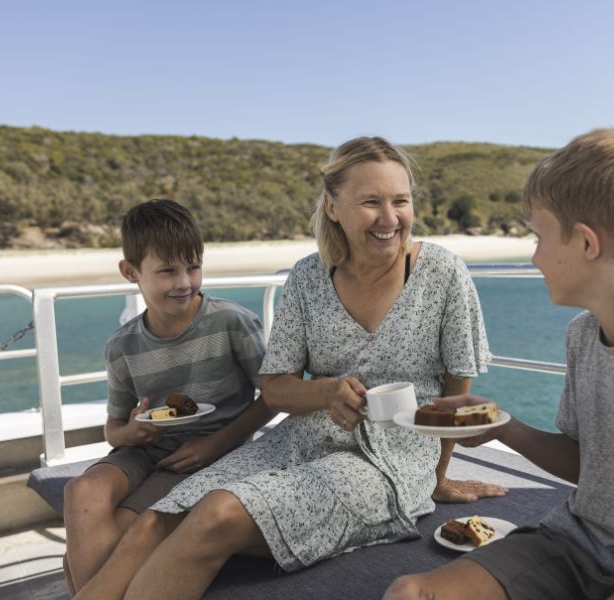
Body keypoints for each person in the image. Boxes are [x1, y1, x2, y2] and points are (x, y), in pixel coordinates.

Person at [75, 136, 505, 600]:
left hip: (388, 465)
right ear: (333, 207)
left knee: (216, 513)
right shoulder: (306, 277)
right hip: (296, 441)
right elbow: (276, 389)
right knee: (152, 524)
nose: (389, 218)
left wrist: (436, 477)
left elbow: (456, 390)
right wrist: (326, 393)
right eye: (370, 202)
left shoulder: (443, 273)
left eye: (400, 201)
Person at [385, 128, 614, 600]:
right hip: (575, 549)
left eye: (539, 236)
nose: (534, 257)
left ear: (585, 243)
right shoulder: (584, 336)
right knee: (410, 594)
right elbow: (595, 465)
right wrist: (504, 427)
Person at [62, 199, 273, 593]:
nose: (184, 282)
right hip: (145, 450)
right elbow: (114, 428)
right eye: (167, 271)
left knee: (113, 536)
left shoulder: (231, 323)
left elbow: (274, 396)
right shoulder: (122, 346)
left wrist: (216, 443)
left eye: (193, 267)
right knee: (80, 490)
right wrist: (131, 434)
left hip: (211, 451)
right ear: (130, 272)